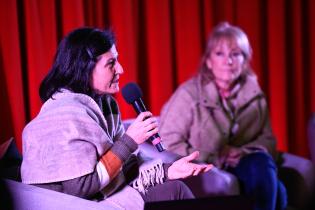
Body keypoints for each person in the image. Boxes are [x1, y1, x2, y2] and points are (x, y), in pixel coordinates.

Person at [20, 27, 213, 209]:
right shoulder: (61, 116)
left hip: (100, 197)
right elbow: (80, 189)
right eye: (111, 63)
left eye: (117, 60)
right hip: (77, 204)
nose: (120, 69)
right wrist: (129, 140)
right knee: (174, 192)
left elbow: (124, 165)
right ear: (84, 68)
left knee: (175, 187)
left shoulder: (105, 104)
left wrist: (168, 171)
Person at [159, 22, 287, 210]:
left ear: (245, 60)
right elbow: (167, 142)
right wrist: (214, 157)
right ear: (209, 61)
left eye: (235, 54)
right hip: (206, 167)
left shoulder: (254, 94)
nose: (228, 61)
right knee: (279, 192)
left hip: (246, 165)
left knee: (263, 168)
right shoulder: (189, 94)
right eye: (220, 54)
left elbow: (268, 140)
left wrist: (244, 152)